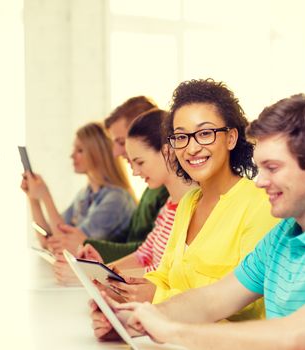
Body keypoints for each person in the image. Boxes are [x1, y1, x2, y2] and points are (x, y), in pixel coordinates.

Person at [93, 94, 305, 349]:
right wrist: (136, 319)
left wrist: (172, 331)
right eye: (259, 168)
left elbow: (300, 337)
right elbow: (214, 299)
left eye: (272, 167)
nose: (259, 181)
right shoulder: (284, 235)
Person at [93, 78, 277, 312]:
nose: (191, 148)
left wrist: (156, 297)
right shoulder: (188, 202)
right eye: (181, 137)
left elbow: (244, 304)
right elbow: (166, 275)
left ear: (231, 138)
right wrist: (129, 291)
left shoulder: (260, 204)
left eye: (205, 133)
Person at [77, 108, 193, 302]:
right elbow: (144, 255)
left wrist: (112, 278)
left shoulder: (191, 208)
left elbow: (166, 273)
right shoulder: (168, 206)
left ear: (167, 152)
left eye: (140, 162)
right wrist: (105, 271)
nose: (135, 172)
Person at [69, 96, 170, 263]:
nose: (115, 152)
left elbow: (154, 258)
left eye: (121, 142)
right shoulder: (157, 192)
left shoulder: (167, 193)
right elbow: (144, 251)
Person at [21, 122, 136, 254]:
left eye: (80, 150)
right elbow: (48, 239)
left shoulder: (116, 200)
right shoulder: (85, 194)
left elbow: (66, 246)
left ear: (97, 154)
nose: (72, 155)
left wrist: (46, 197)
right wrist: (33, 198)